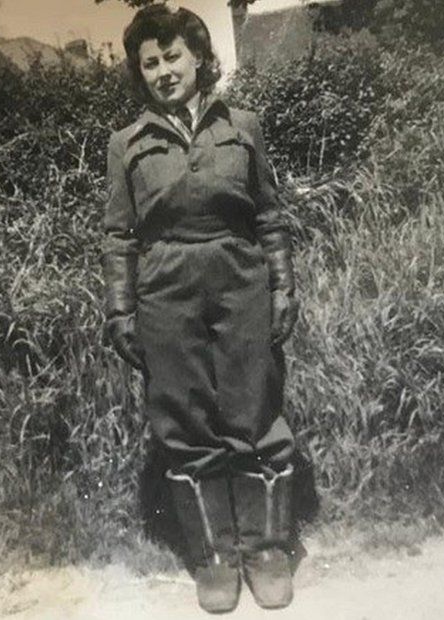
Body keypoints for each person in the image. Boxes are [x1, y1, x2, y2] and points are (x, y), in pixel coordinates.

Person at [101, 4, 301, 613]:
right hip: (165, 287)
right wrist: (120, 310)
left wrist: (282, 285)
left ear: (198, 58)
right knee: (185, 421)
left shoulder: (242, 125)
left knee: (253, 410)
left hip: (240, 279)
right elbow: (118, 236)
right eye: (150, 63)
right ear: (141, 73)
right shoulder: (126, 144)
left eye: (173, 57)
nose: (164, 71)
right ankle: (215, 557)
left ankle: (266, 549)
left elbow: (268, 214)